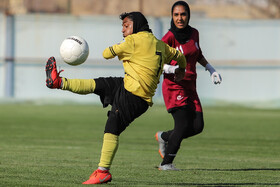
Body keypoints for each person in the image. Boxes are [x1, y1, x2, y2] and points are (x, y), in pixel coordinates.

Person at [45, 12, 186, 184]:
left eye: (126, 26)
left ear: (137, 26)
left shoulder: (132, 41)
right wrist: (181, 70)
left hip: (134, 96)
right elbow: (180, 56)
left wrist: (122, 45)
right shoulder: (160, 44)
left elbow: (106, 53)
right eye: (122, 26)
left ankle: (103, 171)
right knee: (98, 84)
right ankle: (59, 82)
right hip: (128, 86)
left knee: (112, 125)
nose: (123, 30)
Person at [155, 1, 222, 170]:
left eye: (183, 14)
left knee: (198, 126)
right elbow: (155, 60)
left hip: (191, 87)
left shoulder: (194, 33)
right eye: (176, 15)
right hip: (174, 86)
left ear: (188, 16)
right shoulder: (169, 37)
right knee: (183, 124)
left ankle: (164, 137)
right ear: (172, 16)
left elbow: (197, 54)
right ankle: (166, 163)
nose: (180, 18)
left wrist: (210, 69)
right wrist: (170, 68)